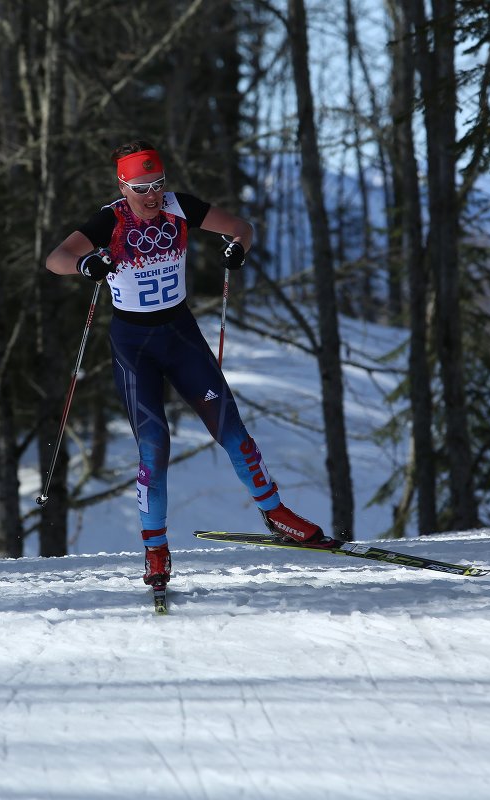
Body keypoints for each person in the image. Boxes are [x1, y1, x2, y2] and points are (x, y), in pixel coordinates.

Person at [45, 140, 327, 587]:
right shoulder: (111, 219)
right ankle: (155, 549)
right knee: (154, 446)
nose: (152, 195)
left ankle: (276, 515)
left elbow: (242, 227)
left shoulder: (181, 207)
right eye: (141, 187)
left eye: (158, 184)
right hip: (134, 344)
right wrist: (84, 265)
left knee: (230, 429)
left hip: (180, 335)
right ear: (123, 185)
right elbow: (55, 258)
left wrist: (238, 246)